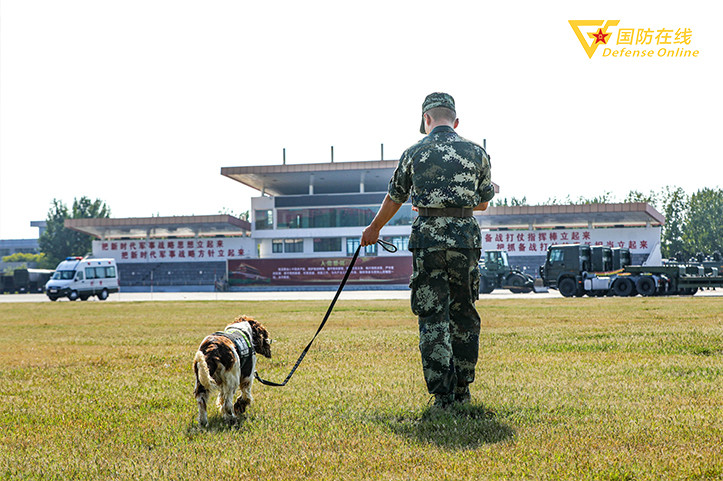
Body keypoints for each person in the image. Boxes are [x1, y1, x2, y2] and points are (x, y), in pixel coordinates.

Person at [361, 92, 494, 408]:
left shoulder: (414, 152)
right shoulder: (477, 152)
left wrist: (374, 228)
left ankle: (442, 395)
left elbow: (395, 197)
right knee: (463, 312)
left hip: (428, 240)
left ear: (427, 120)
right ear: (455, 121)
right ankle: (463, 389)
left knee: (432, 315)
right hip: (465, 239)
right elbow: (485, 202)